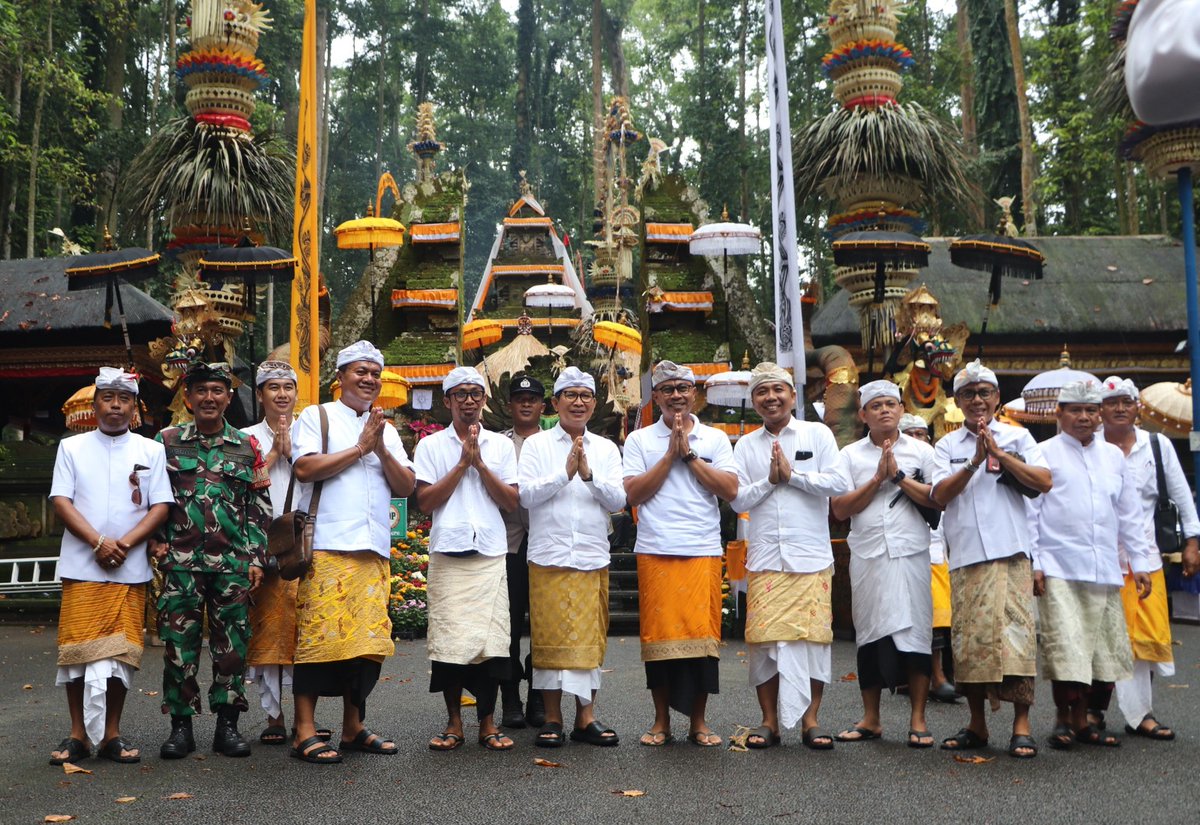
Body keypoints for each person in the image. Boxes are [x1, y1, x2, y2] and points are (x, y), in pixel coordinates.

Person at [289, 341, 415, 764]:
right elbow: (304, 468)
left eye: (375, 373)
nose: (369, 379)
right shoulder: (317, 416)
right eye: (360, 371)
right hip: (327, 545)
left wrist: (378, 446)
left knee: (366, 644)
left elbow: (406, 487)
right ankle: (304, 729)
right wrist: (360, 448)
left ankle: (353, 726)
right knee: (318, 639)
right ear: (340, 377)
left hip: (373, 548)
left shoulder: (388, 429)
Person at [48, 368, 172, 765]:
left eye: (124, 399)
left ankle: (112, 735)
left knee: (121, 655)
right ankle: (77, 735)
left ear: (134, 407)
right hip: (83, 564)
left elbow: (161, 505)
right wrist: (98, 542)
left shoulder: (150, 450)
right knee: (77, 654)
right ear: (95, 403)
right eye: (108, 398)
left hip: (129, 566)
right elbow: (61, 501)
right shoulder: (72, 448)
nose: (115, 406)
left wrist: (126, 544)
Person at [931, 359, 1051, 759]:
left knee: (1017, 640)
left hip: (1011, 553)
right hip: (966, 556)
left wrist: (1001, 453)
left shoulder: (1019, 437)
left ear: (997, 398)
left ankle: (1021, 725)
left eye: (984, 393)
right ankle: (977, 723)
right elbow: (939, 496)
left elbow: (1044, 481)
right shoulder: (947, 446)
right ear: (957, 401)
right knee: (970, 644)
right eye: (968, 394)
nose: (977, 400)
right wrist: (975, 460)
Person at [153, 361, 273, 759]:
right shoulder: (166, 441)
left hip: (233, 565)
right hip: (181, 563)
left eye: (217, 391)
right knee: (178, 647)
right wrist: (156, 540)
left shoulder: (246, 446)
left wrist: (256, 557)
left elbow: (259, 507)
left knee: (232, 647)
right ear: (187, 397)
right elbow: (152, 498)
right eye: (201, 390)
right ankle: (181, 727)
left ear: (228, 398)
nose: (209, 397)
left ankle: (228, 724)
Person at [730, 362, 849, 750]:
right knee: (764, 642)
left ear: (793, 396)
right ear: (754, 401)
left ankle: (811, 721)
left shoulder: (817, 434)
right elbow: (737, 500)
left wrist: (793, 477)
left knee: (813, 640)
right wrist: (770, 480)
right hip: (765, 558)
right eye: (762, 393)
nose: (771, 398)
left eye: (777, 390)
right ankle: (769, 722)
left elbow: (838, 482)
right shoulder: (746, 445)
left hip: (810, 556)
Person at [1030, 381, 1153, 750]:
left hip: (1104, 567)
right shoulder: (1042, 453)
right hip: (1059, 565)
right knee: (1066, 646)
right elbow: (1030, 514)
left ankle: (1085, 721)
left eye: (1090, 410)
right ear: (1059, 413)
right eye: (1075, 410)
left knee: (1102, 647)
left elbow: (1130, 514)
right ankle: (1063, 720)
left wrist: (1141, 562)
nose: (1084, 417)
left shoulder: (1114, 457)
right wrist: (1035, 562)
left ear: (1098, 415)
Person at [623, 360, 738, 747]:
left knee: (702, 639)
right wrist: (669, 456)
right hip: (656, 547)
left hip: (701, 548)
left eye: (682, 388)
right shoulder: (640, 441)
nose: (676, 395)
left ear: (694, 394)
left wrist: (689, 455)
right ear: (655, 397)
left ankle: (699, 723)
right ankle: (660, 722)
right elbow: (633, 494)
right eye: (667, 389)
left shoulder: (716, 439)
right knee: (658, 640)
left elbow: (729, 490)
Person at [518, 367, 625, 747]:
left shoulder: (607, 449)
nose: (578, 402)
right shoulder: (536, 445)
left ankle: (586, 717)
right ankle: (551, 717)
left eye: (585, 396)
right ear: (555, 403)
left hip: (592, 557)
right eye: (570, 395)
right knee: (548, 641)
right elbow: (526, 497)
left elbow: (619, 500)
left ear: (594, 404)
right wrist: (564, 474)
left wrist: (589, 474)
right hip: (549, 555)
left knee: (589, 639)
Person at [415, 366, 520, 752]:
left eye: (476, 393)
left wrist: (479, 464)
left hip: (490, 553)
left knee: (492, 642)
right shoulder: (431, 447)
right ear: (447, 402)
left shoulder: (501, 446)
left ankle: (488, 724)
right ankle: (454, 722)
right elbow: (425, 502)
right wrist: (461, 464)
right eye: (461, 394)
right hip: (448, 552)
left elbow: (510, 502)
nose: (470, 401)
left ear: (484, 400)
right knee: (449, 643)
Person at [1093, 376, 1200, 741]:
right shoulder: (1088, 448)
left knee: (1143, 641)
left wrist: (1192, 542)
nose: (1120, 408)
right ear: (1100, 410)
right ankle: (1093, 711)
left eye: (1127, 401)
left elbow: (1182, 497)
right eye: (1112, 403)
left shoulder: (1157, 446)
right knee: (1102, 638)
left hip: (1145, 558)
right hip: (1099, 561)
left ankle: (1139, 715)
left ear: (1137, 407)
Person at [831, 381, 937, 749]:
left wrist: (898, 477)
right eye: (876, 406)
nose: (885, 411)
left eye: (891, 404)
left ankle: (918, 719)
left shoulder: (922, 452)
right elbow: (840, 509)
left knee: (916, 634)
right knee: (871, 633)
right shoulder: (849, 456)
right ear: (863, 415)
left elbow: (937, 500)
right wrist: (877, 479)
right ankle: (871, 718)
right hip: (868, 554)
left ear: (902, 410)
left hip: (910, 552)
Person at [240, 361, 305, 746]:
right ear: (260, 394)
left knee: (302, 631)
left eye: (288, 387)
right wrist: (276, 455)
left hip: (304, 539)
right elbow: (241, 486)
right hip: (262, 543)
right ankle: (273, 716)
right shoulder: (245, 437)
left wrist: (295, 453)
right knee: (267, 631)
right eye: (273, 387)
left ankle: (303, 717)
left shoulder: (311, 431)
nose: (282, 394)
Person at [899, 413, 958, 704]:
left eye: (921, 434)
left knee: (945, 618)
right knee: (928, 618)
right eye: (909, 434)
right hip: (907, 552)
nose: (916, 440)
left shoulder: (940, 466)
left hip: (940, 555)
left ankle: (946, 675)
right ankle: (935, 677)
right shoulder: (893, 468)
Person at [499, 374, 544, 729]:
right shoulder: (497, 444)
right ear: (510, 405)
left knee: (544, 625)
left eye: (532, 398)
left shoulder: (554, 444)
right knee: (509, 627)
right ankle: (510, 698)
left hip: (546, 541)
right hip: (509, 542)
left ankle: (540, 699)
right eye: (519, 398)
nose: (526, 403)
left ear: (543, 406)